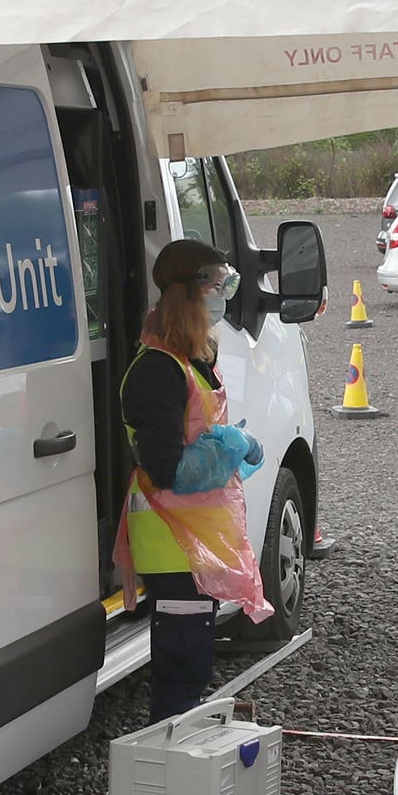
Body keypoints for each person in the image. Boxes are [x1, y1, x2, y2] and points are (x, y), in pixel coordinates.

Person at [116, 239, 267, 719]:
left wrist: (225, 445)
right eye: (215, 285)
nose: (221, 296)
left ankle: (184, 750)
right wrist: (227, 447)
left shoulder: (188, 360)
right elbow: (167, 470)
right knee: (181, 671)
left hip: (193, 537)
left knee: (193, 663)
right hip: (170, 540)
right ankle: (171, 767)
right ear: (187, 293)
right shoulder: (156, 370)